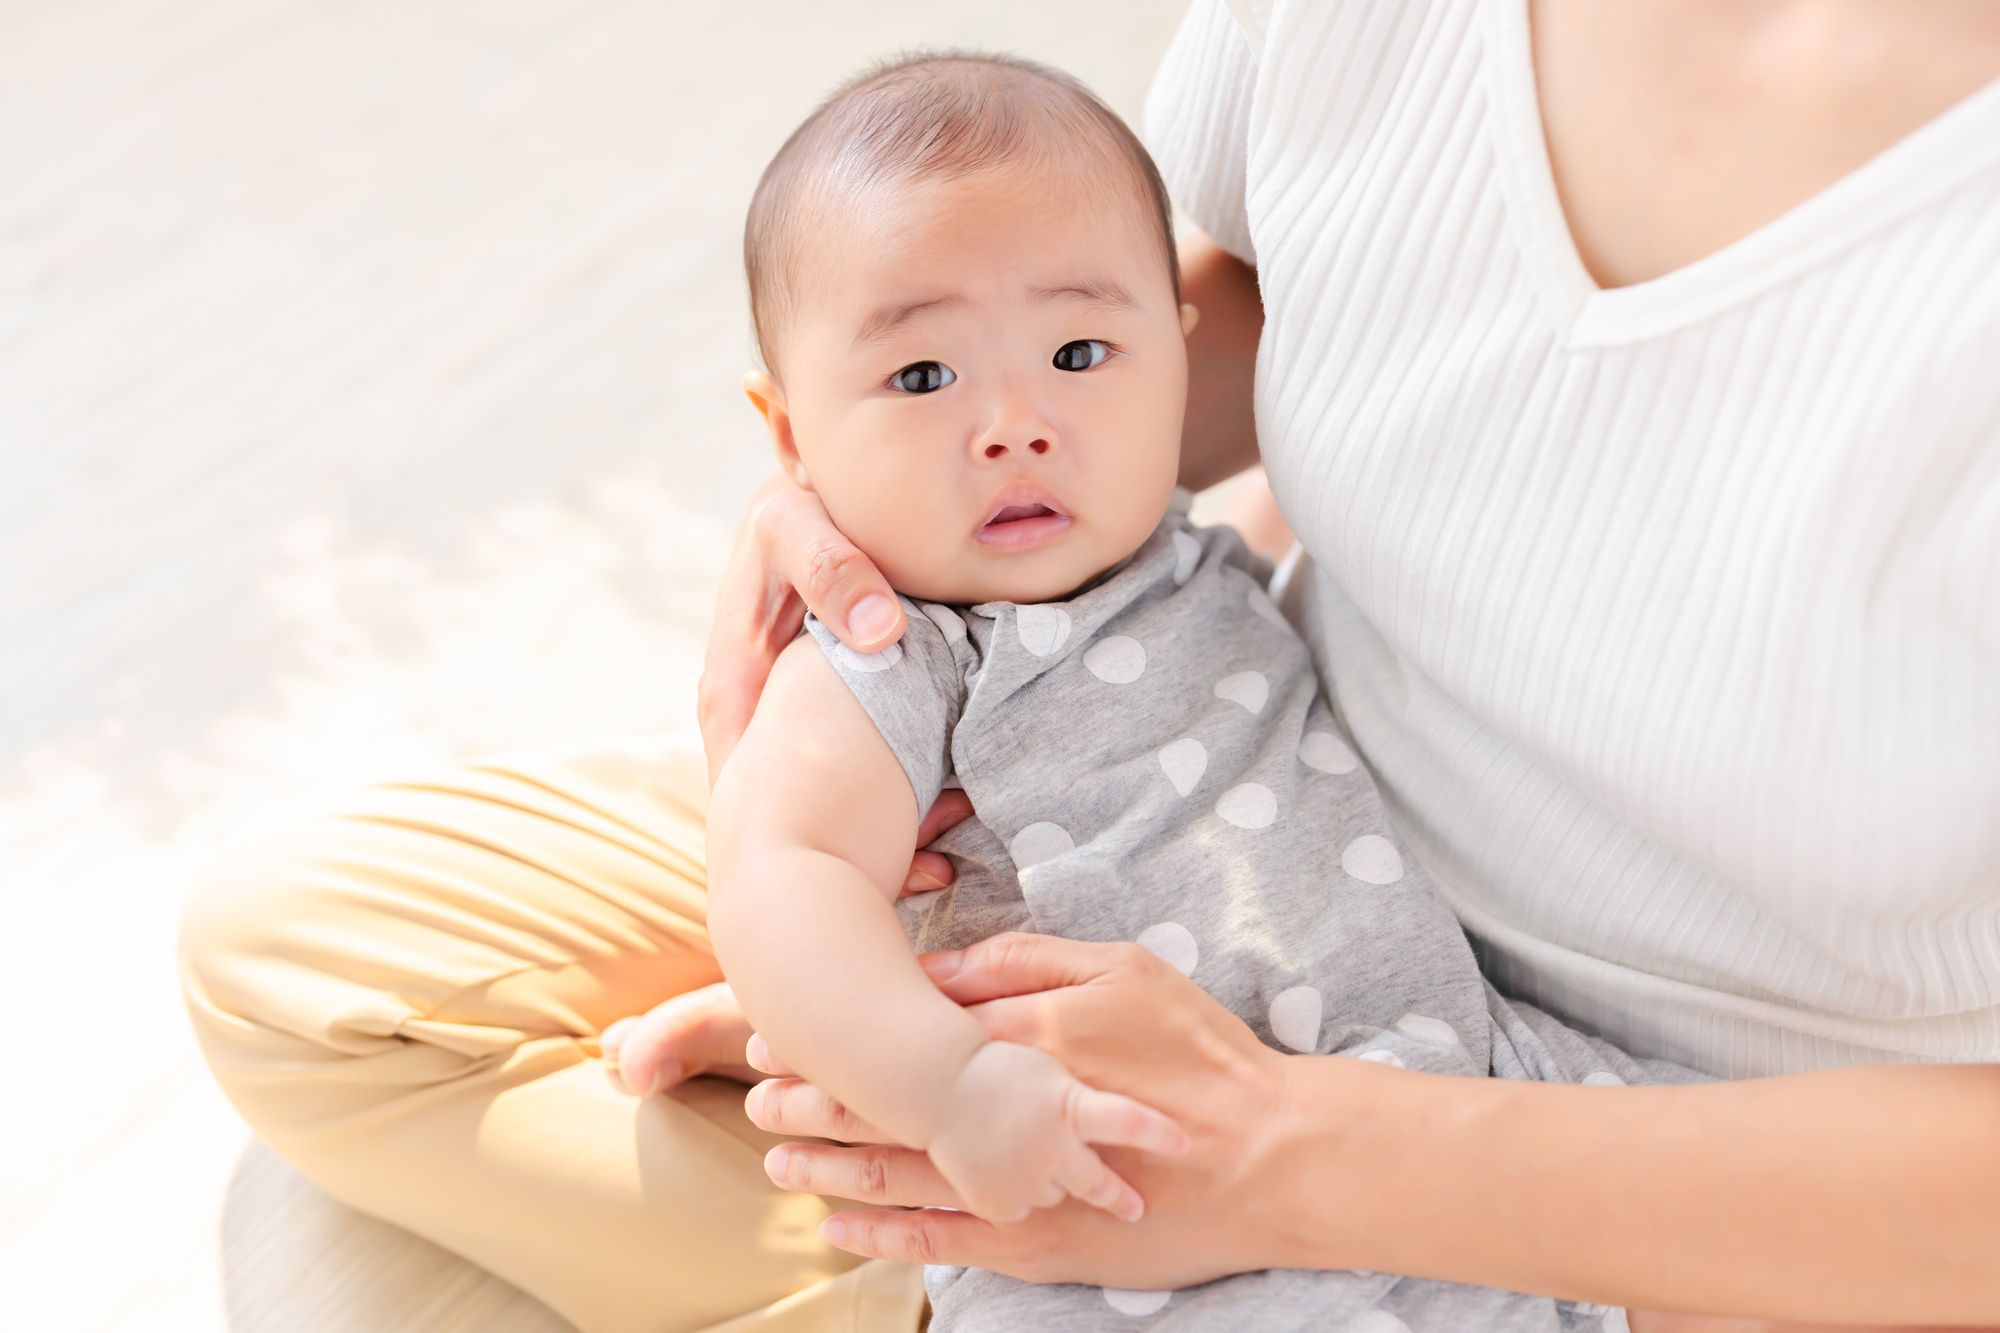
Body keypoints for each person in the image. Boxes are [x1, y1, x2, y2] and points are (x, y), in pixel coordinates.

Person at [177, 1, 2000, 1330]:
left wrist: (1273, 1154)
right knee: (309, 957)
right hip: (1197, 829)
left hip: (1713, 1188)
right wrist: (875, 484)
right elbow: (1240, 300)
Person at [690, 44, 1745, 1333]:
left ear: (1176, 361)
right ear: (790, 437)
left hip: (1448, 1065)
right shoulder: (901, 653)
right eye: (923, 377)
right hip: (1098, 1184)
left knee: (1721, 1230)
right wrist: (945, 1083)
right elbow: (776, 873)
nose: (1016, 423)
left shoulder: (1186, 558)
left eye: (1081, 351)